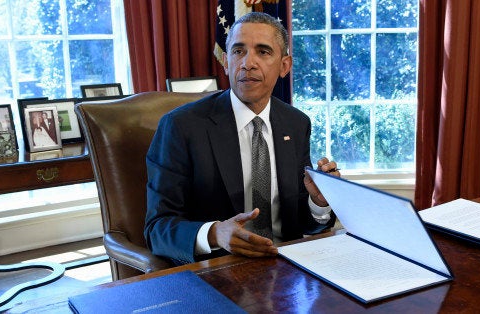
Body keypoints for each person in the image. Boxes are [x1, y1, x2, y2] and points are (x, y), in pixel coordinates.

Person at [145, 12, 340, 265]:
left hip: (287, 267)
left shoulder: (296, 123)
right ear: (226, 62)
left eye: (263, 52)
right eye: (238, 51)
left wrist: (319, 201)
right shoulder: (181, 126)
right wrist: (215, 234)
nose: (248, 63)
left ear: (284, 66)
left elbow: (301, 221)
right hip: (218, 268)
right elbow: (157, 228)